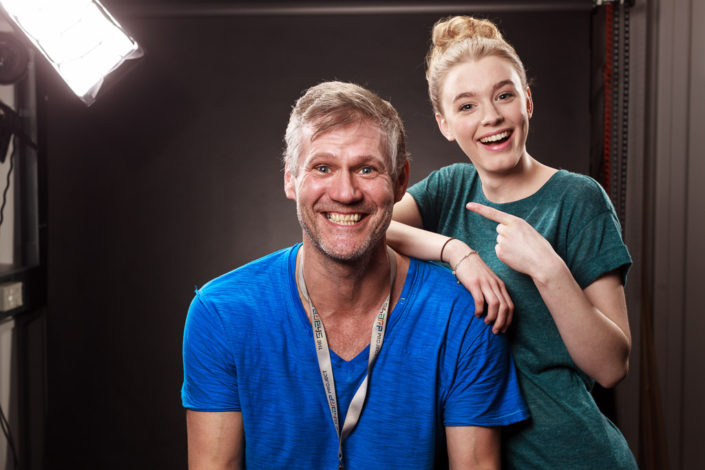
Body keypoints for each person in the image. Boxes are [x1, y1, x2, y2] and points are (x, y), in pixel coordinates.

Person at [181, 81, 528, 469]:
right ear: (290, 180)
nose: (345, 193)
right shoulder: (222, 313)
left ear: (400, 182)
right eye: (323, 167)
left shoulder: (463, 316)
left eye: (366, 169)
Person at [387, 16, 638, 469]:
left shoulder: (577, 199)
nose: (491, 117)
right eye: (466, 106)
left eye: (504, 95)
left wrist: (547, 267)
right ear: (445, 124)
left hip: (569, 455)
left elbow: (611, 365)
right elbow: (366, 224)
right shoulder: (450, 189)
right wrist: (455, 252)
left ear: (527, 100)